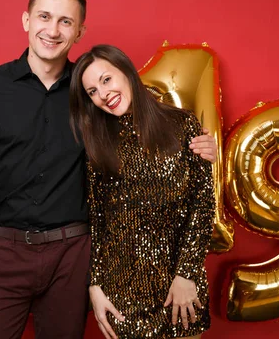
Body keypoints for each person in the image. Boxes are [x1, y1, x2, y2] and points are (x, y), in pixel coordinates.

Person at [0, 0, 217, 339]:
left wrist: (197, 145)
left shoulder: (91, 89)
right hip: (2, 249)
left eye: (65, 22)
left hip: (72, 254)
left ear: (79, 32)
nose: (53, 30)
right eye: (44, 17)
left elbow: (143, 132)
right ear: (27, 20)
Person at [69, 44, 216, 339]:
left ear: (126, 71)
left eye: (106, 79)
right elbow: (99, 220)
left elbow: (202, 204)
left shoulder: (182, 124)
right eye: (92, 92)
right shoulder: (98, 145)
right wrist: (95, 285)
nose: (102, 94)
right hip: (122, 298)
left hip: (180, 290)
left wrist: (186, 274)